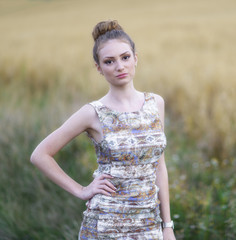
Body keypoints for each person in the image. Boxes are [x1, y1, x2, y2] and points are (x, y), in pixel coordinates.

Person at [30, 20, 176, 240]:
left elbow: (159, 167)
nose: (120, 66)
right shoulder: (93, 113)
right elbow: (40, 155)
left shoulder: (156, 104)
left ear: (136, 58)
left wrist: (167, 226)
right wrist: (81, 190)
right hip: (106, 226)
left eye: (125, 57)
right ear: (99, 68)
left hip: (149, 225)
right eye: (109, 61)